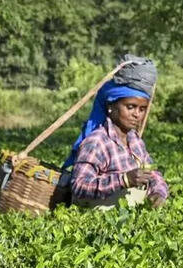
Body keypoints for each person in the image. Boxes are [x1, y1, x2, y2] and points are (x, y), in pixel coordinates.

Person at [66, 77, 169, 210]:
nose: (137, 114)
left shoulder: (135, 140)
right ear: (111, 107)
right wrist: (123, 180)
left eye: (142, 109)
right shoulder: (97, 142)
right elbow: (79, 186)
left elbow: (153, 174)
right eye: (130, 107)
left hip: (131, 218)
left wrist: (158, 193)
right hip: (101, 221)